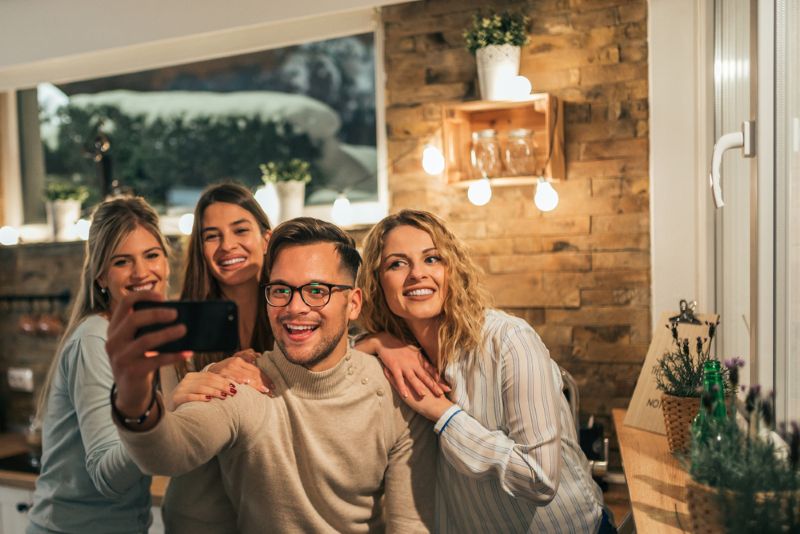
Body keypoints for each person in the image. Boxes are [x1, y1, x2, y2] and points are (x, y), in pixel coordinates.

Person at [106, 218, 436, 533]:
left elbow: (410, 525)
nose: (295, 307)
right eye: (281, 290)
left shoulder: (396, 391)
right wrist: (134, 398)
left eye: (317, 290)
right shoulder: (243, 380)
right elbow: (173, 450)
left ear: (353, 304)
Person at [357, 209, 610, 534]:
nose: (417, 273)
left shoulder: (509, 340)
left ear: (453, 268)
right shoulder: (398, 354)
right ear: (378, 282)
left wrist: (444, 414)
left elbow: (540, 479)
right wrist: (378, 341)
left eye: (432, 259)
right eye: (397, 263)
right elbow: (333, 358)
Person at [27, 197, 171, 534]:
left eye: (151, 255)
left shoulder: (150, 333)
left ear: (166, 261)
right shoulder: (95, 338)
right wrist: (171, 411)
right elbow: (109, 477)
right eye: (123, 261)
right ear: (101, 277)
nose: (142, 272)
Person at [158, 183, 275, 533]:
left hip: (274, 515)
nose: (227, 246)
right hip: (199, 516)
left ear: (266, 239)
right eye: (212, 236)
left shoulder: (292, 314)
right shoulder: (176, 328)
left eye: (240, 230)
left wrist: (382, 343)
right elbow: (167, 432)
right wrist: (208, 377)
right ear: (200, 248)